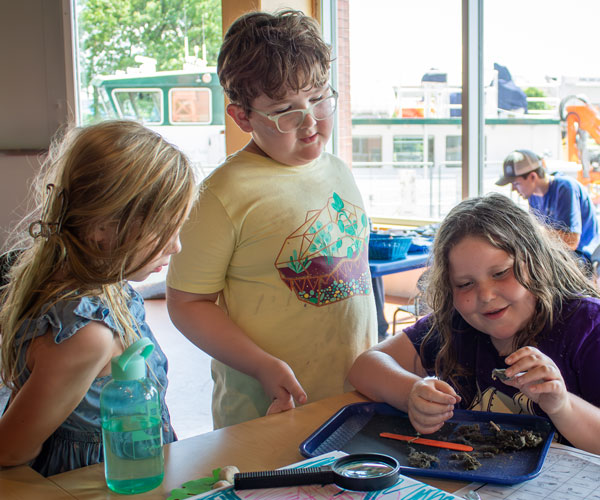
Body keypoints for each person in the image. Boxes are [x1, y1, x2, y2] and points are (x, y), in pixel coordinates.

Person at [166, 9, 376, 429]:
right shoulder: (221, 195)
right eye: (285, 110)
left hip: (353, 400)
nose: (311, 122)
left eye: (319, 98)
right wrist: (261, 365)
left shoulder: (337, 170)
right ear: (243, 117)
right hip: (267, 412)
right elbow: (187, 303)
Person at [0, 120, 196, 475]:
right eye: (163, 230)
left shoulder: (107, 286)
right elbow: (10, 450)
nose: (176, 245)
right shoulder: (86, 336)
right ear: (101, 227)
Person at [348, 193, 600, 454]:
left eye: (501, 273)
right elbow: (364, 367)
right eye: (465, 284)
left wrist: (562, 406)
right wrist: (411, 393)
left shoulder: (587, 327)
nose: (486, 296)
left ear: (535, 262)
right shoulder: (455, 327)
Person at [496, 149, 600, 267]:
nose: (514, 189)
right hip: (557, 255)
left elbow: (571, 242)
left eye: (516, 184)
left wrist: (531, 228)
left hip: (580, 259)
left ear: (533, 176)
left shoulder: (565, 188)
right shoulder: (533, 196)